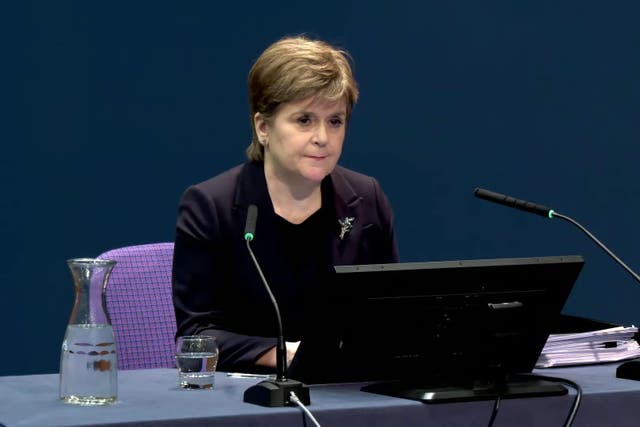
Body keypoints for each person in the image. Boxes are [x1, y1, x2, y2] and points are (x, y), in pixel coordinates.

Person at [171, 34, 399, 375]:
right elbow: (196, 335)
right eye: (304, 120)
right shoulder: (211, 206)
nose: (323, 137)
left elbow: (391, 316)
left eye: (335, 121)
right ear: (263, 127)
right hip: (249, 394)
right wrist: (285, 354)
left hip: (346, 389)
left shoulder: (366, 199)